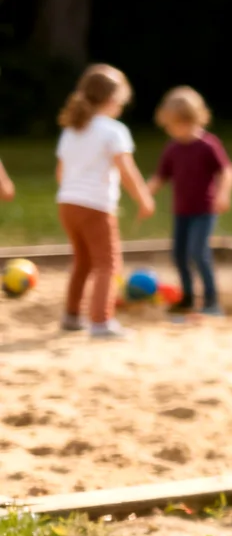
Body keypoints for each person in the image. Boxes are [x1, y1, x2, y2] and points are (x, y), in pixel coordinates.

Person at [55, 64, 154, 339]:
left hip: (67, 204)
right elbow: (126, 169)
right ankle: (101, 322)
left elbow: (61, 172)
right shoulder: (114, 131)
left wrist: (73, 192)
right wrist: (143, 198)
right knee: (108, 264)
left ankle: (71, 315)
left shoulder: (72, 130)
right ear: (112, 99)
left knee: (83, 261)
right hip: (95, 206)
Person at [146, 86, 232, 317]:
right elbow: (160, 177)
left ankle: (211, 301)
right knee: (179, 254)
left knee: (197, 251)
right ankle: (187, 298)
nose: (170, 130)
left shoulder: (208, 145)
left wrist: (223, 194)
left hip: (204, 211)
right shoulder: (173, 149)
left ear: (190, 120)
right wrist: (144, 195)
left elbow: (227, 171)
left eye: (173, 124)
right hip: (182, 212)